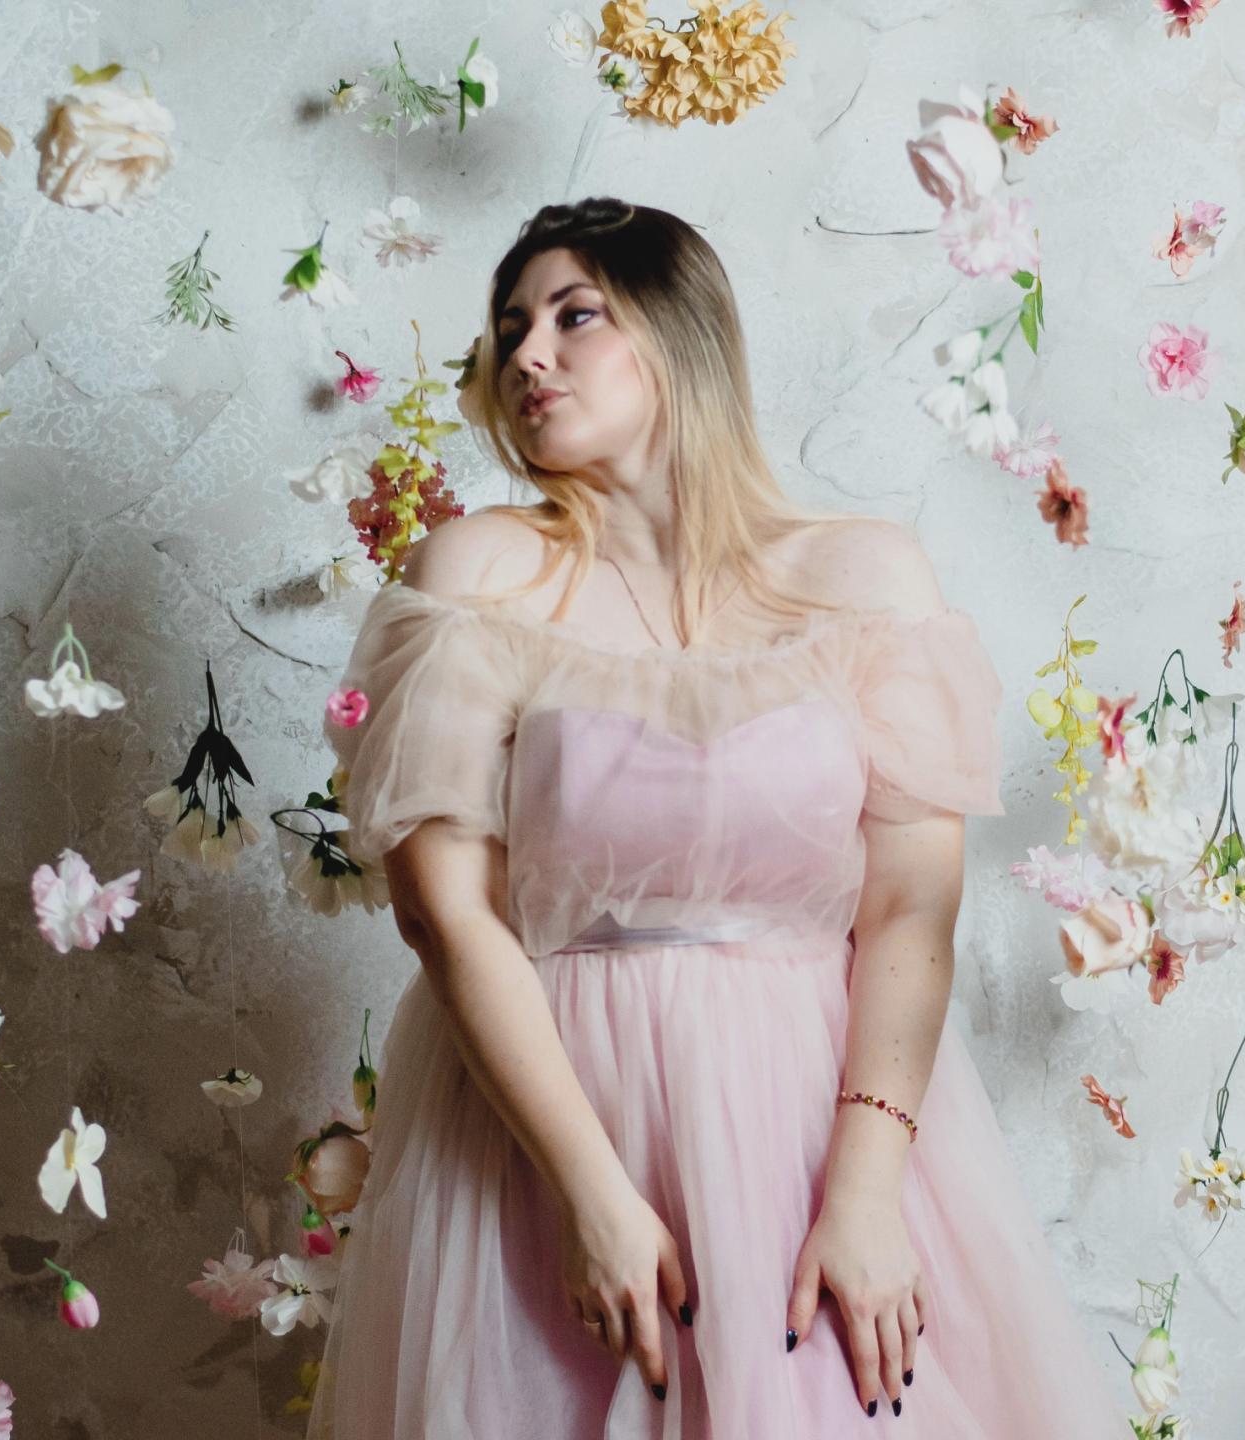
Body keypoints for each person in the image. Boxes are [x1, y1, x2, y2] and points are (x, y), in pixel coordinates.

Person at [307, 197, 1125, 1437]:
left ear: (681, 333)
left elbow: (911, 908)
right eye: (512, 327)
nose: (528, 355)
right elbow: (443, 914)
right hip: (550, 1131)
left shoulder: (864, 577)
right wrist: (591, 1196)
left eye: (575, 316)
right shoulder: (477, 575)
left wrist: (866, 1190)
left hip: (813, 1130)